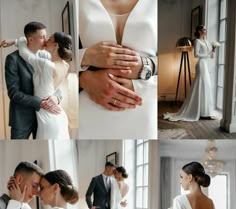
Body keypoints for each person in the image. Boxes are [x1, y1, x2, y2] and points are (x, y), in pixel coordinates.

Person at [79, 0, 157, 139]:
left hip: (143, 106)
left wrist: (149, 65)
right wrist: (82, 75)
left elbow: (169, 58)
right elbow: (56, 58)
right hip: (90, 106)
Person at [2, 26, 73, 140]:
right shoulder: (13, 59)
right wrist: (40, 102)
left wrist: (56, 97)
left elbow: (57, 87)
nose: (45, 41)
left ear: (56, 45)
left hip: (47, 117)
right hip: (23, 119)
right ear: (30, 39)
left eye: (47, 38)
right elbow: (14, 93)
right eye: (42, 37)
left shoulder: (46, 57)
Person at [163, 25, 216, 122]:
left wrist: (213, 50)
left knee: (206, 86)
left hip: (205, 65)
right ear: (199, 31)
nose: (205, 30)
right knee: (201, 85)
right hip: (200, 64)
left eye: (205, 29)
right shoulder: (197, 41)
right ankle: (197, 111)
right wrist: (207, 55)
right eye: (204, 29)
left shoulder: (207, 42)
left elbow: (212, 56)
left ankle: (205, 112)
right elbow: (196, 54)